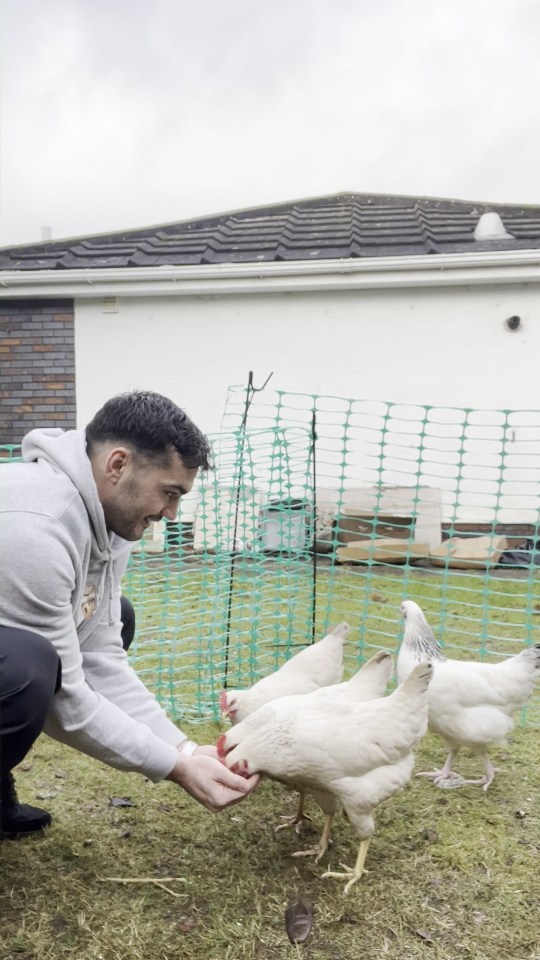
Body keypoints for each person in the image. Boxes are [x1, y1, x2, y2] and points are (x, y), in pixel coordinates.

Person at [0, 390, 258, 838]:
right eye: (169, 493)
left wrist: (184, 746)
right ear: (117, 465)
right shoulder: (35, 527)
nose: (172, 514)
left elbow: (99, 653)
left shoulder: (109, 520)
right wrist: (175, 767)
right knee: (27, 669)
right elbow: (65, 700)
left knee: (116, 614)